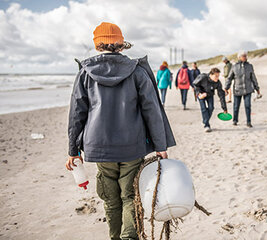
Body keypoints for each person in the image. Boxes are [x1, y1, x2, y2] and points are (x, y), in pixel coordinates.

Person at [65, 22, 176, 240]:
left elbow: (76, 113)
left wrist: (73, 150)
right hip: (131, 147)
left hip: (99, 147)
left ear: (97, 45)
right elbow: (151, 110)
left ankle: (115, 237)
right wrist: (160, 146)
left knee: (111, 199)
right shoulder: (136, 70)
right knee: (130, 195)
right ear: (121, 44)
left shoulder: (85, 73)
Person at [224, 50, 261, 127]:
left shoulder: (249, 66)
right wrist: (226, 88)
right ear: (239, 57)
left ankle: (248, 122)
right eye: (243, 56)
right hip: (237, 90)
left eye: (245, 56)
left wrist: (257, 88)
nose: (245, 57)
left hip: (248, 90)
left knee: (248, 106)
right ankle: (235, 120)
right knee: (236, 106)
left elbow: (253, 78)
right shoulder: (234, 67)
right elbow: (229, 78)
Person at [193, 68, 227, 132]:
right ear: (211, 75)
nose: (217, 78)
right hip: (201, 94)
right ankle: (206, 125)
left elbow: (221, 95)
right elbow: (195, 84)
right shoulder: (203, 77)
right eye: (216, 76)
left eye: (218, 76)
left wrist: (224, 108)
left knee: (211, 108)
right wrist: (199, 93)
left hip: (209, 94)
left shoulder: (217, 83)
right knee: (204, 109)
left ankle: (205, 121)